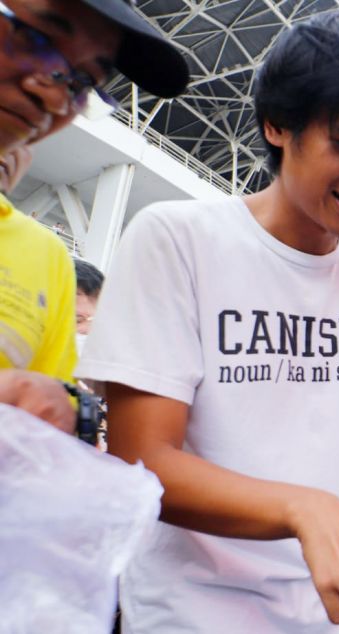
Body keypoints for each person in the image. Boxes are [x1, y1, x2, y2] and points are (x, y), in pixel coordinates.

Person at [77, 12, 339, 634]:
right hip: (198, 609)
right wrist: (307, 510)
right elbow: (143, 458)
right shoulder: (178, 240)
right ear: (276, 124)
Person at [0, 0, 188, 432]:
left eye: (83, 81)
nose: (51, 91)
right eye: (35, 39)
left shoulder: (43, 256)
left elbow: (42, 434)